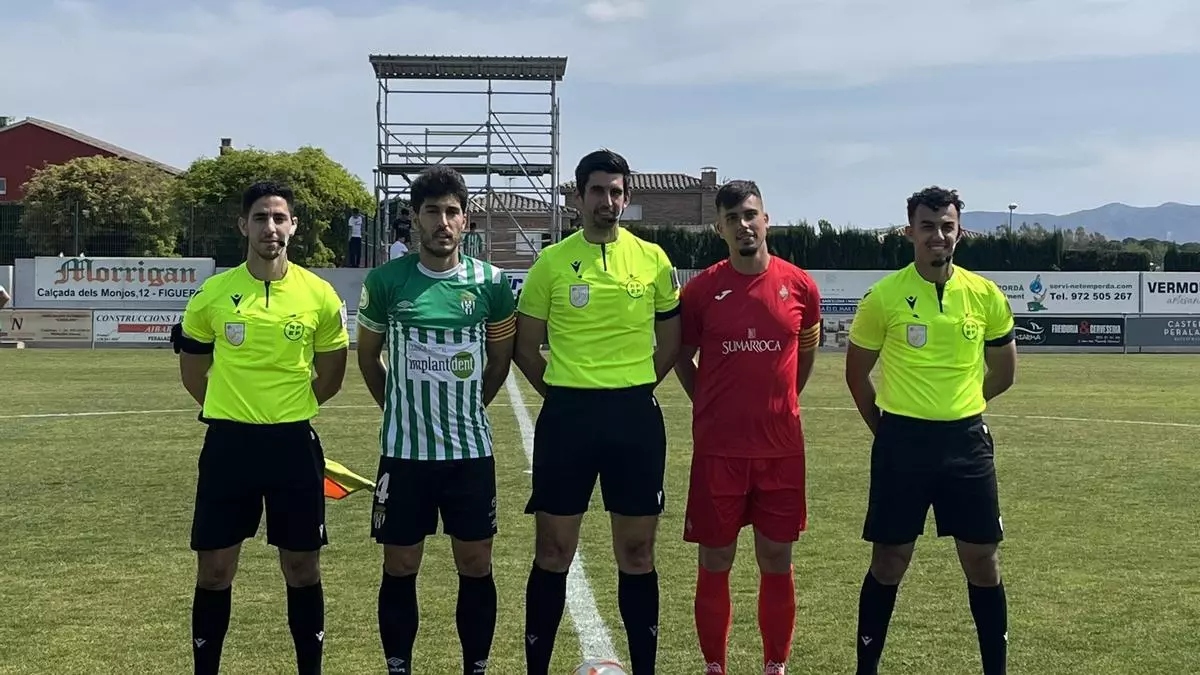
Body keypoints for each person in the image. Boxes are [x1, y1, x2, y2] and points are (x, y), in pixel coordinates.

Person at [514, 148, 682, 675]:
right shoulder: (551, 263)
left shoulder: (654, 260)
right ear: (578, 197)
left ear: (626, 198)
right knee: (553, 550)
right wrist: (564, 395)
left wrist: (633, 388)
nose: (606, 200)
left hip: (634, 418)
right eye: (596, 191)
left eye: (615, 191)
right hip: (568, 419)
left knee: (637, 552)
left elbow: (670, 342)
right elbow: (526, 347)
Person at [172, 180, 350, 675]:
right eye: (260, 218)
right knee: (214, 570)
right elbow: (193, 372)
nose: (270, 227)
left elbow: (331, 375)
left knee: (302, 568)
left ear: (293, 225)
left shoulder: (319, 294)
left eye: (278, 218)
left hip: (293, 447)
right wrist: (234, 409)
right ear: (243, 225)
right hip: (229, 446)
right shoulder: (213, 294)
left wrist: (286, 409)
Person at [845, 186, 1017, 675]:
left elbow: (1004, 373)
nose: (937, 235)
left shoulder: (985, 295)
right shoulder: (883, 297)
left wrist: (962, 406)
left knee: (982, 560)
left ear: (960, 231)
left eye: (947, 226)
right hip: (902, 444)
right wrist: (886, 432)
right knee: (889, 560)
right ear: (910, 232)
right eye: (927, 226)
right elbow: (857, 376)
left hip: (966, 443)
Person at [356, 165, 517, 675]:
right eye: (432, 212)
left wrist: (470, 408)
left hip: (470, 454)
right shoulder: (386, 281)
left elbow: (499, 360)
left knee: (475, 562)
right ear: (415, 218)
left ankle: (476, 667)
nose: (442, 222)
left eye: (452, 212)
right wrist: (399, 409)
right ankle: (398, 666)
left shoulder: (491, 283)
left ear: (465, 220)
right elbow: (368, 358)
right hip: (404, 455)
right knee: (400, 564)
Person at [674, 180, 822, 675]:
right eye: (732, 218)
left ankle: (774, 665)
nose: (744, 225)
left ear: (766, 220)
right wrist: (708, 402)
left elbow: (805, 353)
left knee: (776, 557)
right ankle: (715, 665)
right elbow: (681, 356)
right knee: (716, 559)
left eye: (750, 215)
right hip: (720, 451)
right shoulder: (700, 291)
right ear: (719, 227)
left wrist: (783, 401)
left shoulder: (800, 286)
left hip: (781, 450)